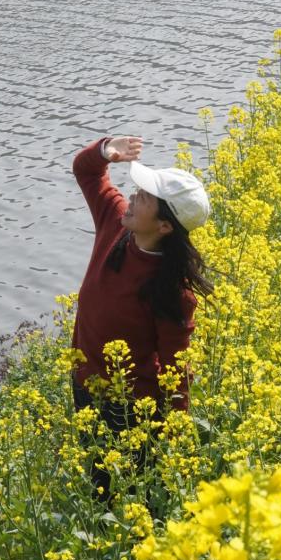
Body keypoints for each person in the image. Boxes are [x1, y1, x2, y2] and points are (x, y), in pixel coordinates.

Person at [71, 135, 213, 506]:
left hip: (130, 407)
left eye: (145, 197)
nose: (132, 197)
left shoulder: (173, 293)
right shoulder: (115, 224)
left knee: (127, 494)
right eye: (137, 191)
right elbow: (86, 172)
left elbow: (175, 368)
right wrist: (106, 151)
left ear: (165, 227)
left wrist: (174, 435)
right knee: (97, 481)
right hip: (85, 384)